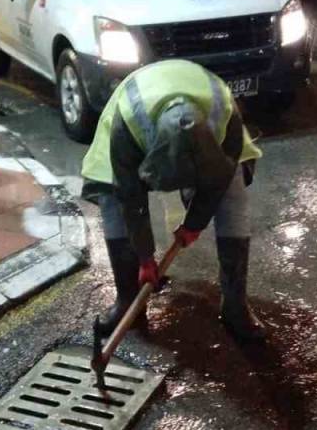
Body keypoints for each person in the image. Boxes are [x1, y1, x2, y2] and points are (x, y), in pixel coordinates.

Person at [81, 59, 266, 342]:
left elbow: (220, 178)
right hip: (132, 124)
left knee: (234, 190)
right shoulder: (127, 125)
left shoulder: (225, 114)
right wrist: (145, 257)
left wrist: (194, 224)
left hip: (209, 117)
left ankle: (235, 305)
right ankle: (128, 301)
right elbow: (132, 198)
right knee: (112, 198)